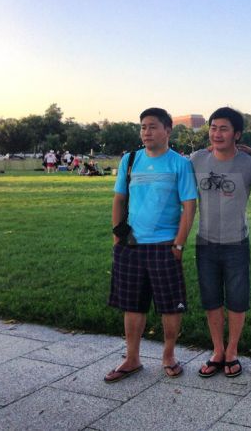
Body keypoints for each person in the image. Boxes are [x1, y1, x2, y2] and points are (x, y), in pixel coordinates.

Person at [104, 107, 197, 383]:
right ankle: (132, 358)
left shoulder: (180, 164)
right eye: (143, 127)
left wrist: (179, 244)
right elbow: (119, 199)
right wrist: (117, 236)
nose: (146, 132)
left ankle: (169, 355)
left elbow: (189, 206)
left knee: (170, 305)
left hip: (165, 245)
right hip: (131, 244)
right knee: (132, 305)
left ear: (168, 130)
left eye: (153, 126)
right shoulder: (130, 160)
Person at [191, 107, 251, 378]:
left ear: (237, 134)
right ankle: (217, 350)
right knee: (211, 299)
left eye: (223, 129)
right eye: (213, 128)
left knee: (237, 299)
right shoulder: (197, 160)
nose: (216, 133)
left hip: (236, 243)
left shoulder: (248, 163)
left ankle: (232, 351)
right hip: (205, 242)